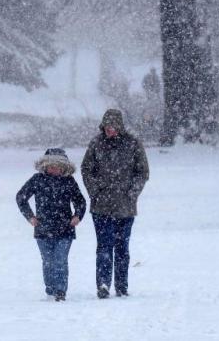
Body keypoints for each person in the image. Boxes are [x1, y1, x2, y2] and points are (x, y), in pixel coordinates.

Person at [81, 109, 149, 298]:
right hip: (101, 206)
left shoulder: (133, 143)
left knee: (122, 248)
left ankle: (121, 285)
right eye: (107, 126)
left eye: (113, 126)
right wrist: (95, 191)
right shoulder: (96, 144)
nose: (109, 130)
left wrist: (132, 193)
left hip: (125, 208)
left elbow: (142, 172)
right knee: (103, 247)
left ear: (119, 126)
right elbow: (86, 169)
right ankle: (103, 284)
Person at [16, 148, 87, 302]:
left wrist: (77, 216)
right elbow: (21, 197)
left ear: (64, 167)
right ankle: (50, 289)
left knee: (60, 260)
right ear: (45, 166)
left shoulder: (69, 182)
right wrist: (30, 216)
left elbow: (80, 201)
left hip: (65, 229)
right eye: (51, 166)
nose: (54, 169)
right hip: (43, 229)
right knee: (48, 261)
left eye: (57, 166)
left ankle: (61, 291)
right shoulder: (37, 180)